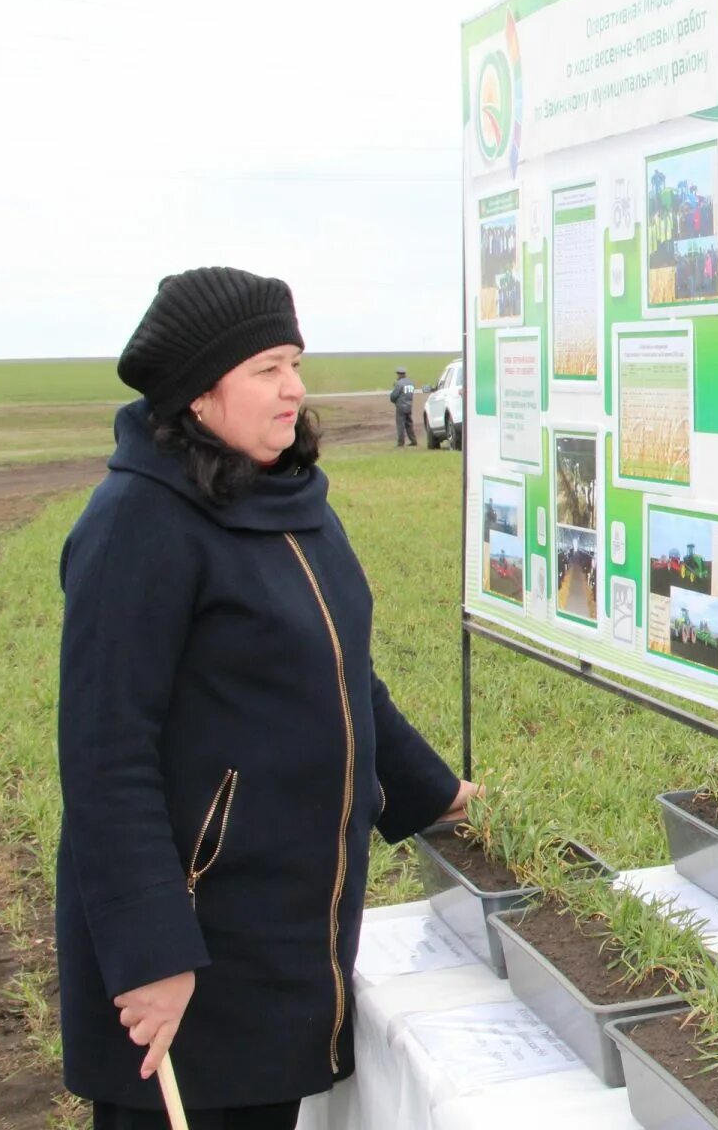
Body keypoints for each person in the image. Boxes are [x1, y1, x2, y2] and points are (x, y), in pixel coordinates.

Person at [57, 267, 476, 1129]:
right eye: (266, 369)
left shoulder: (290, 499)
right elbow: (104, 756)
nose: (295, 389)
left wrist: (436, 793)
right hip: (193, 946)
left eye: (295, 362)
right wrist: (149, 954)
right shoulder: (136, 525)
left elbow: (341, 675)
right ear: (198, 396)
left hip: (285, 926)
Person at [388, 367, 417, 446]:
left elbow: (393, 396)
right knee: (409, 424)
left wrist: (395, 401)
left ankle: (401, 442)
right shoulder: (411, 383)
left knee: (400, 425)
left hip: (401, 406)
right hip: (409, 406)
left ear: (399, 374)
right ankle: (413, 440)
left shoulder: (399, 383)